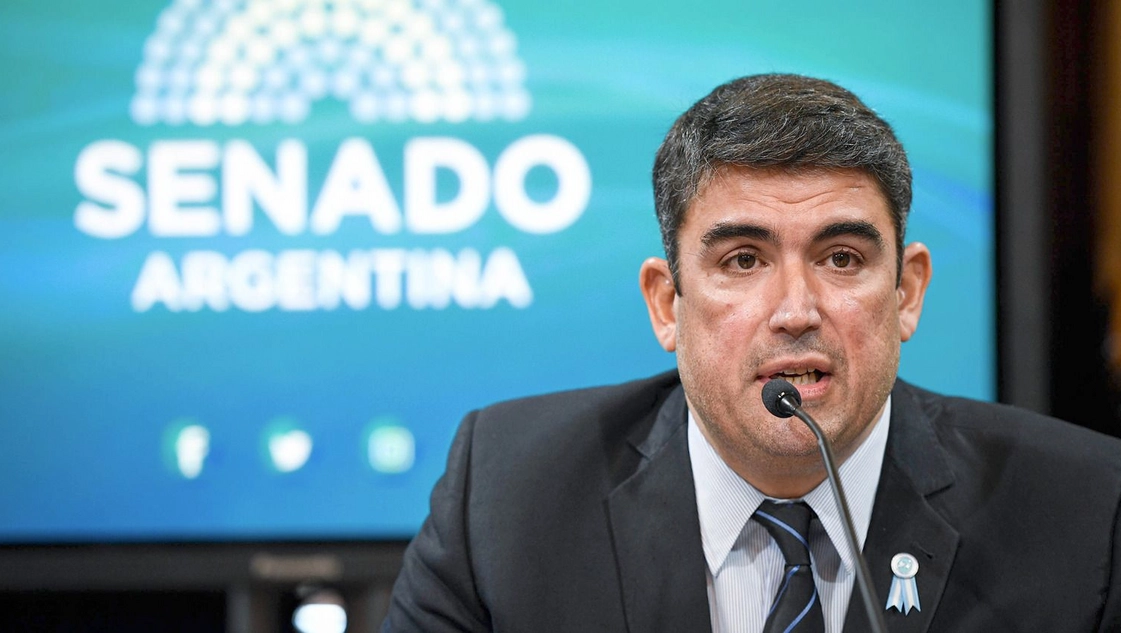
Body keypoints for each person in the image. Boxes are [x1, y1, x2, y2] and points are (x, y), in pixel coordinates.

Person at [382, 74, 1121, 632]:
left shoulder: (1084, 509)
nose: (795, 311)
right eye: (742, 260)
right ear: (667, 304)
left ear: (906, 293)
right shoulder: (508, 502)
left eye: (841, 258)